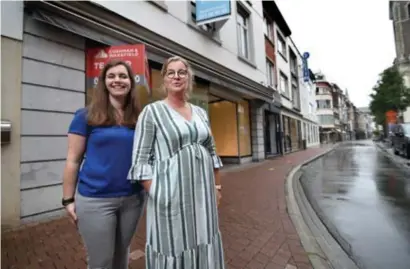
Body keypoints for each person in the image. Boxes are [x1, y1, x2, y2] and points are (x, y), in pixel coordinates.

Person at [128, 55, 225, 268]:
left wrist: (217, 187)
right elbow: (140, 160)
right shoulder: (152, 112)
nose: (176, 76)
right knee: (173, 243)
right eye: (171, 72)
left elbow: (212, 151)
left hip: (203, 194)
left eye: (182, 72)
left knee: (203, 237)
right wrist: (159, 193)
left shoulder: (200, 112)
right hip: (169, 195)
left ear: (189, 78)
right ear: (164, 79)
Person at [62, 59, 146, 269]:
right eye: (112, 76)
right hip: (95, 199)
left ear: (131, 82)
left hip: (132, 199)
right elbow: (73, 160)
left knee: (121, 256)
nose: (117, 80)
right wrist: (67, 199)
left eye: (123, 76)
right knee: (101, 261)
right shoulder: (85, 116)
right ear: (104, 82)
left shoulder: (140, 118)